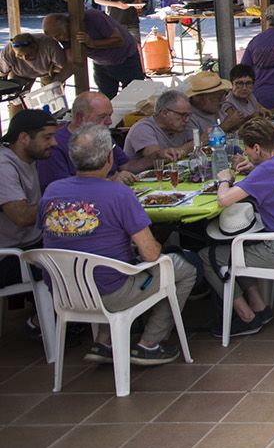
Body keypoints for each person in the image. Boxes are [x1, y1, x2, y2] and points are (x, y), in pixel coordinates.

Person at [39, 126, 196, 365]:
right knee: (183, 267)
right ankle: (150, 343)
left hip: (63, 291)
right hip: (112, 293)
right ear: (110, 158)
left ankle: (105, 341)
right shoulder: (119, 194)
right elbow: (151, 254)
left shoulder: (52, 190)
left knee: (111, 262)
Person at [200, 116, 274, 337]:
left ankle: (246, 316)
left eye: (247, 150)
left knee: (210, 255)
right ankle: (259, 306)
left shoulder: (264, 172)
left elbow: (224, 200)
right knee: (236, 247)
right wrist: (253, 168)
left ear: (257, 147)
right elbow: (269, 177)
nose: (246, 154)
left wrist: (224, 179)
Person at [0, 110, 57, 288]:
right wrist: (64, 202)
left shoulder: (27, 158)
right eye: (47, 137)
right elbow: (21, 217)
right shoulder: (4, 166)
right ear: (24, 138)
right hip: (11, 256)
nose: (54, 143)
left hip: (32, 244)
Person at [44, 6, 144, 99]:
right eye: (55, 37)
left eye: (59, 35)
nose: (58, 39)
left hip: (126, 59)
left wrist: (93, 43)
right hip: (101, 64)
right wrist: (56, 82)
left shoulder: (93, 17)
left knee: (134, 96)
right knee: (104, 99)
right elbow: (71, 62)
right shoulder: (63, 36)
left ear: (66, 24)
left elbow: (118, 40)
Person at [125, 89, 196, 166]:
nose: (187, 120)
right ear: (165, 113)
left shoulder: (181, 126)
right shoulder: (142, 128)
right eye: (183, 115)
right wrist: (198, 142)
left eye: (188, 115)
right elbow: (157, 159)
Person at [184, 71, 229, 140]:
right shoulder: (188, 118)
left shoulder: (216, 108)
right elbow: (195, 146)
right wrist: (226, 126)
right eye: (218, 97)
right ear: (200, 99)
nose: (224, 100)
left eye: (224, 94)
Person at [218, 66, 262, 132]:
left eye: (248, 83)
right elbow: (235, 125)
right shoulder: (227, 103)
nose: (244, 88)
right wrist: (253, 116)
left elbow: (263, 112)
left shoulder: (251, 97)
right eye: (239, 83)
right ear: (232, 84)